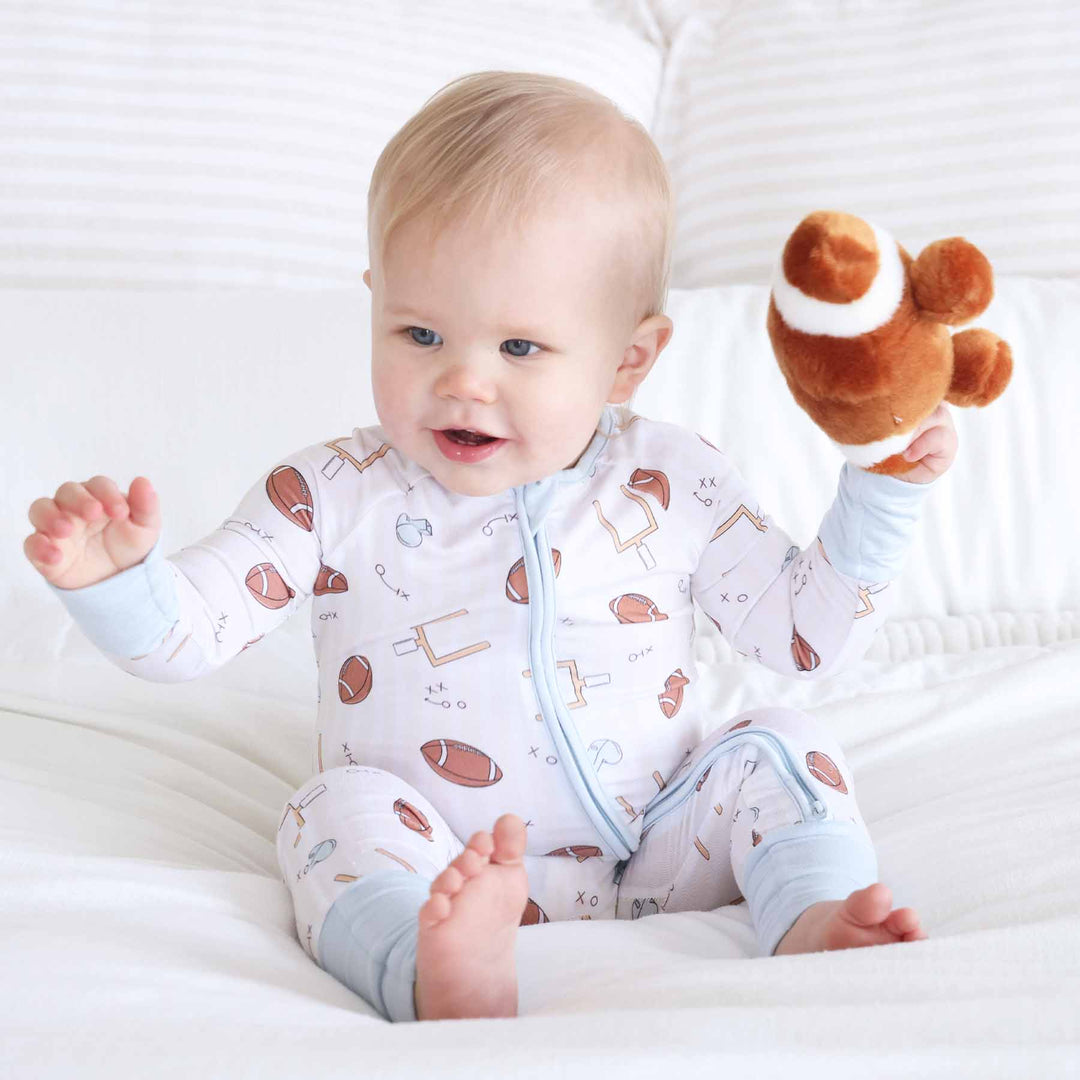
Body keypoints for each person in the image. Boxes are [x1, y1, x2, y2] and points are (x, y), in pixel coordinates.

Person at [24, 71, 947, 1024]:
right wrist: (117, 579)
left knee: (784, 749)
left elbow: (804, 642)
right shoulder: (331, 493)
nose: (463, 381)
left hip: (662, 849)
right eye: (421, 332)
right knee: (325, 815)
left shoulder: (673, 481)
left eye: (519, 349)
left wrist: (880, 497)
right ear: (374, 298)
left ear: (629, 358)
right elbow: (191, 637)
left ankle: (813, 916)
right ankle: (424, 963)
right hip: (432, 852)